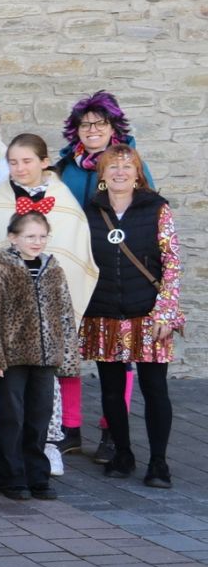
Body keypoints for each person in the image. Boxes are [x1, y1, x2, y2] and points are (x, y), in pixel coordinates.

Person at [0, 133, 98, 462]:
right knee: (13, 391)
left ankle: (48, 444)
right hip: (13, 317)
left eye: (27, 161)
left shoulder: (63, 199)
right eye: (13, 162)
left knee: (46, 389)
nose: (20, 168)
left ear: (44, 162)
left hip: (47, 311)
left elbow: (73, 250)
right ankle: (13, 452)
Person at [82, 145, 182, 488]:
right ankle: (122, 454)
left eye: (127, 166)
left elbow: (172, 262)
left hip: (149, 314)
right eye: (112, 166)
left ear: (138, 173)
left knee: (155, 389)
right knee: (111, 391)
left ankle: (158, 463)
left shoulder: (156, 208)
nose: (120, 172)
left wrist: (166, 311)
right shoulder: (90, 212)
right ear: (102, 175)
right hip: (104, 313)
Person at [0, 211, 78, 501]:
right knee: (13, 417)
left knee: (40, 416)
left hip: (45, 358)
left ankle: (37, 475)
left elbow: (65, 313)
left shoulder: (53, 268)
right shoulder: (0, 268)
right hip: (12, 357)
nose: (37, 242)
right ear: (13, 238)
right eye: (30, 236)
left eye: (42, 236)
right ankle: (12, 476)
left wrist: (66, 355)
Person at [56, 90, 155, 209]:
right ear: (77, 130)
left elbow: (151, 208)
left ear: (113, 129)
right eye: (85, 125)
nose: (92, 130)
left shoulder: (134, 165)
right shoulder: (62, 168)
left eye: (101, 123)